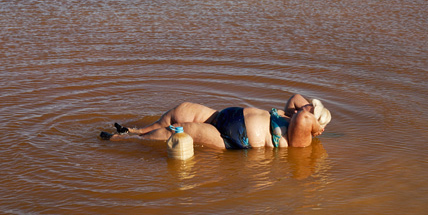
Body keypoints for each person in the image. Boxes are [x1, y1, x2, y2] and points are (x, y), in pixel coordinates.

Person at [100, 94, 330, 149]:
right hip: (221, 115)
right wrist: (308, 104)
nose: (306, 105)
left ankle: (122, 141)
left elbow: (303, 117)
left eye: (312, 108)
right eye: (310, 103)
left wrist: (318, 125)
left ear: (313, 121)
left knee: (183, 130)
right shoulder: (289, 114)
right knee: (180, 111)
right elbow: (295, 97)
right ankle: (137, 130)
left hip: (231, 138)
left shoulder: (301, 138)